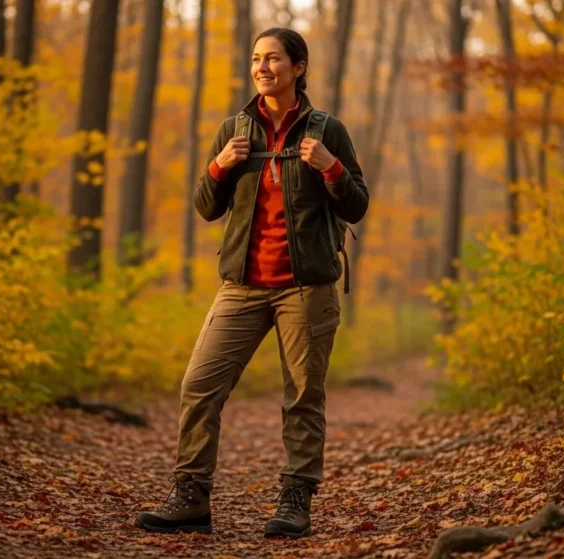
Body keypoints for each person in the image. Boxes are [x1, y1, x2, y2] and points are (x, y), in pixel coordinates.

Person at [134, 27, 368, 539]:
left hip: (306, 287)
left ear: (299, 68)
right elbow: (204, 206)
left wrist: (330, 169)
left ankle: (295, 499)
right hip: (241, 285)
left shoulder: (328, 130)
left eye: (275, 59)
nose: (263, 67)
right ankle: (191, 496)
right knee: (198, 384)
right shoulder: (234, 129)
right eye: (257, 58)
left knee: (303, 394)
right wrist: (219, 166)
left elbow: (357, 204)